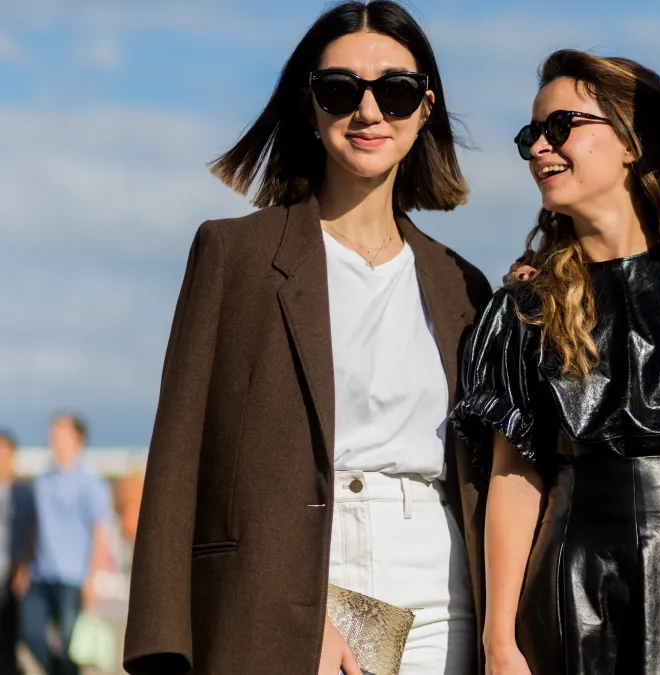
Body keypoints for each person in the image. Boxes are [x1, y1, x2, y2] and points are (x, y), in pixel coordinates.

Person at [122, 3, 492, 674]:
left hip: (442, 589)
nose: (369, 111)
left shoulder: (462, 284)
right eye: (340, 89)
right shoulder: (234, 253)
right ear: (310, 104)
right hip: (290, 585)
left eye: (397, 90)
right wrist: (166, 642)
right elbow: (178, 458)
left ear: (427, 106)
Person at [452, 50, 660, 675]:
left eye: (560, 126)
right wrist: (498, 641)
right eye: (530, 135)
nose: (540, 148)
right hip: (574, 570)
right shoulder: (524, 308)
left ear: (632, 142)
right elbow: (514, 479)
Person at [19, 415, 113, 675]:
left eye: (61, 432)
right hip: (40, 574)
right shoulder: (42, 481)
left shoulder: (91, 483)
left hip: (74, 577)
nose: (54, 438)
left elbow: (101, 533)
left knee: (71, 643)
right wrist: (25, 566)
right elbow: (35, 528)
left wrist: (92, 579)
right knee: (30, 632)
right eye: (53, 432)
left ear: (78, 439)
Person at [0, 430, 32, 675]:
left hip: (11, 573)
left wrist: (24, 567)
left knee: (10, 636)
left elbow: (33, 530)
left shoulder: (24, 492)